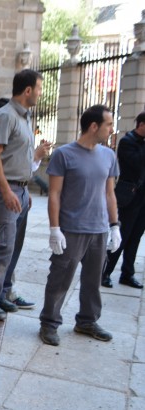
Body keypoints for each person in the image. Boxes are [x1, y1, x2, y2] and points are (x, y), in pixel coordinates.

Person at [39, 105, 120, 347]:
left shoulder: (108, 155)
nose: (111, 129)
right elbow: (54, 194)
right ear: (94, 126)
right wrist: (55, 229)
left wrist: (114, 225)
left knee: (93, 280)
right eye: (108, 124)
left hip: (99, 229)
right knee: (60, 278)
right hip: (72, 229)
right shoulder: (64, 154)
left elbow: (109, 193)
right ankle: (49, 323)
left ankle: (87, 320)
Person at [0, 70, 52, 321]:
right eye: (39, 88)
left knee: (13, 247)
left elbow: (18, 157)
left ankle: (0, 293)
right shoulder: (5, 116)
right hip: (4, 190)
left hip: (19, 189)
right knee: (1, 246)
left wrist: (23, 189)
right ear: (28, 90)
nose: (41, 94)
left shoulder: (25, 118)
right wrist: (8, 190)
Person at [102, 112, 145, 289]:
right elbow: (136, 163)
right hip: (129, 196)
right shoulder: (127, 141)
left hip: (143, 198)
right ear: (141, 124)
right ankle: (104, 272)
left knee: (135, 237)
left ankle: (127, 274)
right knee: (121, 236)